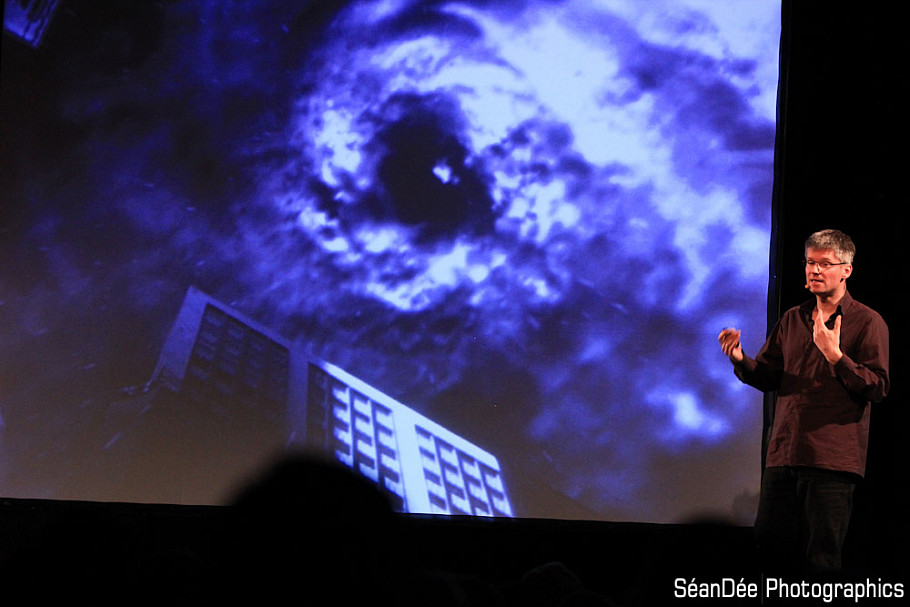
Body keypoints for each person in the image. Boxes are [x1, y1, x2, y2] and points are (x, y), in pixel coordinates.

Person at [718, 229, 889, 575]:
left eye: (825, 264)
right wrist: (739, 358)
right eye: (810, 262)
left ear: (846, 270)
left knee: (820, 561)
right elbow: (768, 376)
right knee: (769, 553)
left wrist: (836, 356)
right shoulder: (793, 318)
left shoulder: (867, 322)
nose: (815, 270)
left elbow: (878, 386)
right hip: (784, 455)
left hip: (830, 460)